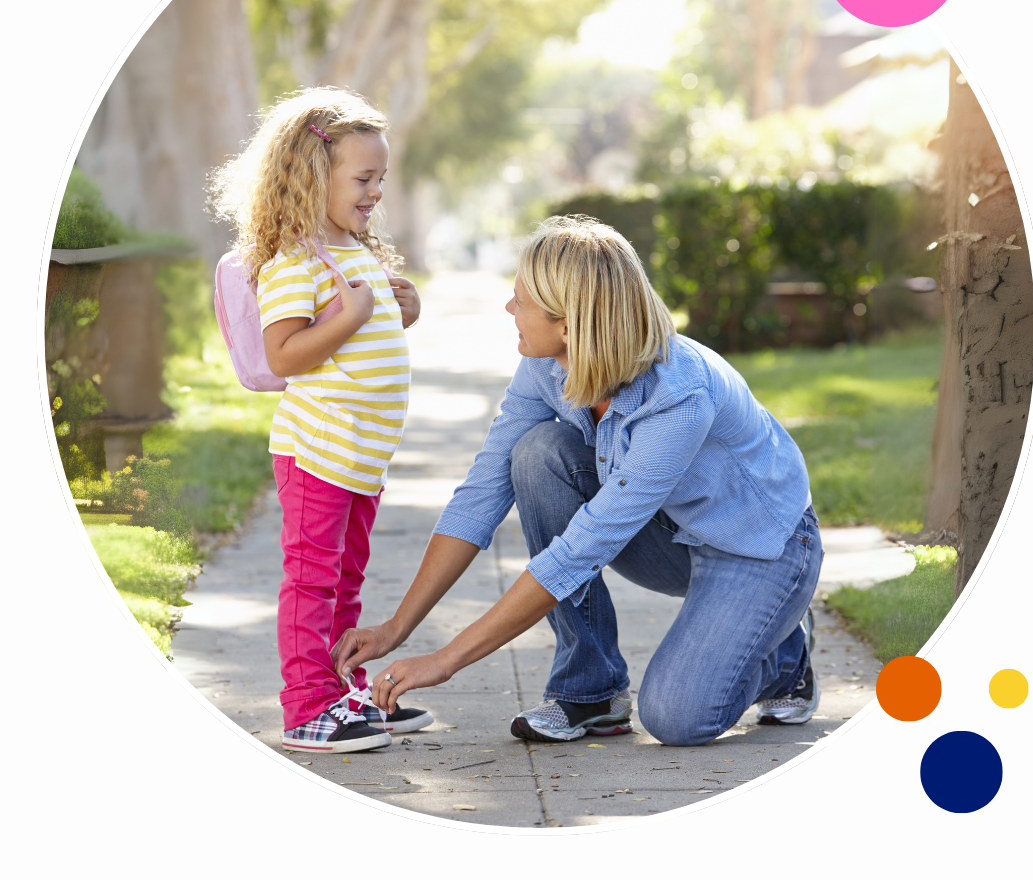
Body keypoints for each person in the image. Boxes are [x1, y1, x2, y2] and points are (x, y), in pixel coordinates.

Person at [331, 215, 824, 748]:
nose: (508, 309)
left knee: (676, 718)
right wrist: (396, 628)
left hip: (760, 548)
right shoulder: (547, 365)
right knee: (537, 454)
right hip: (670, 534)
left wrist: (447, 660)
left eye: (521, 300)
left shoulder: (678, 397)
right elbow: (481, 494)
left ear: (568, 324)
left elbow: (578, 553)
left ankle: (784, 656)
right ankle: (591, 691)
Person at [210, 87, 432, 753]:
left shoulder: (355, 251)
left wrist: (402, 308)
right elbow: (287, 352)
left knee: (346, 581)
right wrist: (351, 317)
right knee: (312, 580)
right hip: (318, 452)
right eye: (363, 179)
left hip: (361, 457)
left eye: (381, 180)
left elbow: (368, 334)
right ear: (313, 174)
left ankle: (344, 691)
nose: (375, 193)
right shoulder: (293, 261)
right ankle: (307, 706)